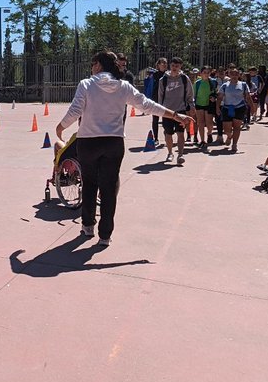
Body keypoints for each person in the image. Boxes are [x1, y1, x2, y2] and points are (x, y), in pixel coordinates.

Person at [56, 51, 191, 247]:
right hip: (114, 142)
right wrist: (176, 116)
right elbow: (147, 105)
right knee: (109, 188)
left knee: (90, 184)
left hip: (89, 142)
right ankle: (105, 235)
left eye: (93, 64)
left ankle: (87, 226)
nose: (92, 68)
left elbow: (75, 110)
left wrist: (60, 127)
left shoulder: (86, 84)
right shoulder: (124, 86)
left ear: (99, 65)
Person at [157, 57, 194, 165]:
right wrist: (159, 109)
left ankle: (180, 154)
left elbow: (189, 93)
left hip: (180, 110)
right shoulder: (163, 80)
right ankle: (170, 153)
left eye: (177, 66)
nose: (174, 68)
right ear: (170, 66)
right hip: (167, 111)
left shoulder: (184, 79)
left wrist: (191, 105)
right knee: (168, 134)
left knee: (180, 133)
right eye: (173, 65)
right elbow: (160, 95)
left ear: (180, 67)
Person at [218, 67, 255, 152]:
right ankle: (229, 136)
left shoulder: (243, 85)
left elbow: (248, 97)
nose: (234, 76)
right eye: (232, 74)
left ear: (239, 75)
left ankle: (234, 144)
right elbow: (220, 97)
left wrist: (252, 107)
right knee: (227, 129)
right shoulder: (225, 85)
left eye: (236, 74)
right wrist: (217, 107)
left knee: (237, 127)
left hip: (239, 107)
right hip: (227, 108)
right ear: (229, 75)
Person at [143, 58, 169, 145]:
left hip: (166, 99)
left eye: (165, 63)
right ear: (158, 65)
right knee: (155, 119)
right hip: (156, 99)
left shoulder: (168, 75)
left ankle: (167, 135)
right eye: (162, 63)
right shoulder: (154, 75)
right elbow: (149, 87)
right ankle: (156, 138)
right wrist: (148, 99)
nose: (164, 65)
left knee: (167, 119)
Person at [190, 68, 214, 147]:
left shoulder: (212, 82)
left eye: (208, 72)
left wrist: (214, 97)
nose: (206, 74)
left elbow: (215, 92)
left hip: (209, 104)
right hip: (199, 104)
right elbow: (193, 95)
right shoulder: (197, 83)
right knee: (200, 123)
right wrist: (192, 105)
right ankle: (202, 140)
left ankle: (209, 133)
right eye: (204, 72)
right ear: (201, 73)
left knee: (209, 123)